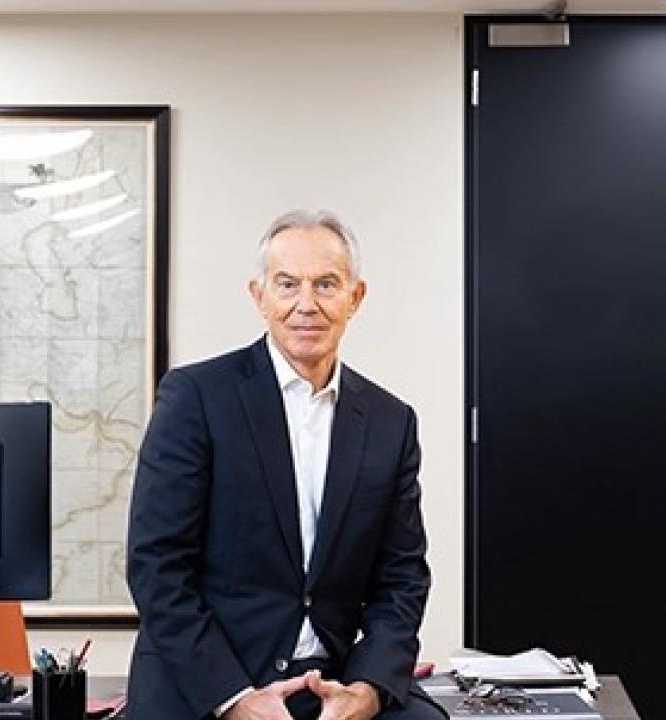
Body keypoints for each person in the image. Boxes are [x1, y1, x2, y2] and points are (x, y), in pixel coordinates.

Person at [126, 210, 442, 720]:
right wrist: (235, 700)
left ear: (355, 297)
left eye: (327, 284)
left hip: (329, 683)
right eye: (288, 284)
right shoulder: (196, 399)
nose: (306, 304)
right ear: (260, 296)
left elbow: (402, 578)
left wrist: (366, 688)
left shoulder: (391, 422)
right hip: (211, 682)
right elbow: (157, 567)